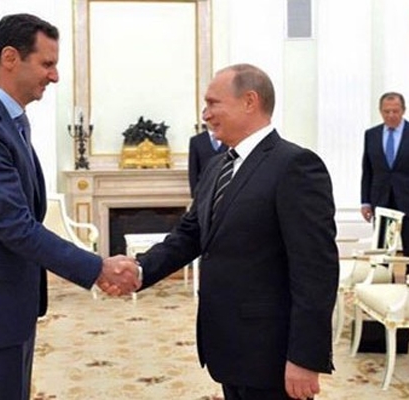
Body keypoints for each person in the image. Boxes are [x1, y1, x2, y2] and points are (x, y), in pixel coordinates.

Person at [0, 13, 139, 400]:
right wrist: (97, 267)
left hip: (6, 303)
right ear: (10, 58)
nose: (55, 76)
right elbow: (15, 224)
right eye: (47, 63)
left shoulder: (7, 121)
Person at [134, 64, 339, 400]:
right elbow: (190, 234)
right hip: (228, 348)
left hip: (272, 354)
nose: (205, 114)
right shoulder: (217, 166)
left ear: (249, 101)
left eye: (213, 103)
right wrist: (140, 269)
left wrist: (305, 357)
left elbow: (316, 270)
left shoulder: (296, 166)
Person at [361, 92, 409, 274]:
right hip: (381, 199)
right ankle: (383, 280)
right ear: (380, 111)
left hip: (407, 198)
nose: (391, 115)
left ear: (403, 110)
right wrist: (365, 201)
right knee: (383, 249)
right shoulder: (371, 135)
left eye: (395, 111)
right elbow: (367, 170)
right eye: (386, 111)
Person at [188, 111, 228, 197]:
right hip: (204, 187)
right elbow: (193, 169)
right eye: (209, 118)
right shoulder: (196, 140)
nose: (213, 121)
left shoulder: (229, 137)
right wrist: (194, 193)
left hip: (225, 186)